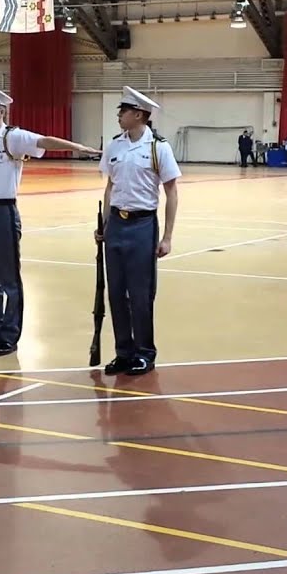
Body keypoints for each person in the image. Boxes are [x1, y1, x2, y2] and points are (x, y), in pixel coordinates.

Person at [0, 85, 99, 356]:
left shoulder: (13, 138)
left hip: (4, 213)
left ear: (1, 111)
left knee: (9, 279)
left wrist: (80, 148)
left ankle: (8, 337)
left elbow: (45, 141)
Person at [95, 86, 181, 376]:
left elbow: (172, 193)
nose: (119, 115)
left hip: (144, 225)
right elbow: (110, 188)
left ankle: (144, 353)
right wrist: (104, 224)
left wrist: (167, 237)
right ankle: (123, 352)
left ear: (139, 115)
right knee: (116, 293)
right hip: (117, 225)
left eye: (125, 111)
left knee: (141, 294)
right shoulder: (115, 146)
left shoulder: (159, 147)